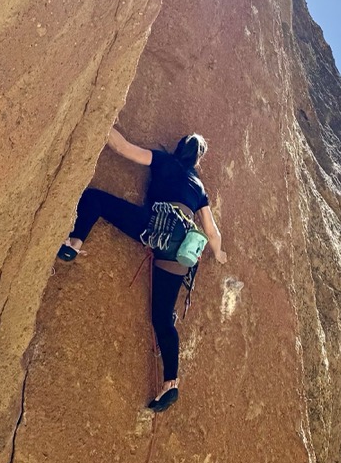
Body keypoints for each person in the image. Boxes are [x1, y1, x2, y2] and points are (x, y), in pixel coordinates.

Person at [58, 127, 226, 411]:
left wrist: (104, 119)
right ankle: (170, 383)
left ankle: (74, 242)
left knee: (95, 200)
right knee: (162, 319)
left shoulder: (163, 160)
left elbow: (124, 148)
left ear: (177, 149)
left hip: (154, 228)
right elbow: (211, 231)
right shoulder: (199, 188)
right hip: (180, 250)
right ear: (197, 161)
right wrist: (219, 254)